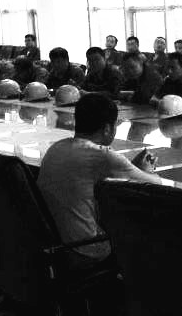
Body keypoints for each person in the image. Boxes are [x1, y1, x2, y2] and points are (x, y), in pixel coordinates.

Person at [37, 93, 159, 265]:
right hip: (85, 250)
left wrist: (132, 168)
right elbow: (155, 185)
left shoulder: (56, 148)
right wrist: (148, 171)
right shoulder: (101, 155)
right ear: (108, 128)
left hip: (52, 246)